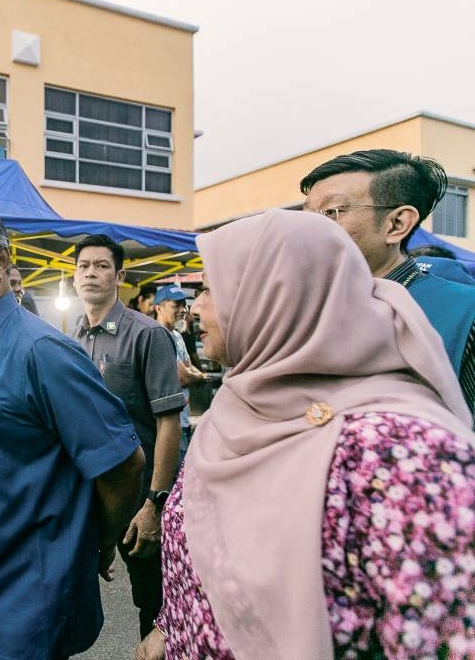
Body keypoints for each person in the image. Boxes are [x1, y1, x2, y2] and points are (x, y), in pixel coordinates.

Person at [136, 209, 474, 660]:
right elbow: (202, 549)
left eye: (213, 289)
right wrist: (170, 626)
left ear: (278, 297)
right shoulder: (233, 408)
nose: (196, 306)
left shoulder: (406, 452)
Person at [0, 205, 145, 660]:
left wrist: (96, 542)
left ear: (3, 262)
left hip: (30, 591)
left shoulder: (43, 351)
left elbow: (123, 463)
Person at [300, 149, 475, 417]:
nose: (308, 228)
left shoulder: (463, 313)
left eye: (331, 212)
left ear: (396, 224)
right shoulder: (301, 310)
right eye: (307, 215)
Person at [71, 234, 185, 641]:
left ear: (119, 275)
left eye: (101, 266)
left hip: (139, 491)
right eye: (83, 266)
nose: (91, 273)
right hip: (91, 488)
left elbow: (169, 421)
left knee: (154, 601)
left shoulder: (148, 334)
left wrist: (155, 503)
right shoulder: (72, 337)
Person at [152, 284, 205, 462]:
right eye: (176, 305)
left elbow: (188, 368)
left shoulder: (177, 336)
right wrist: (201, 376)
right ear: (158, 308)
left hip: (183, 420)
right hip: (168, 423)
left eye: (184, 305)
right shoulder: (157, 336)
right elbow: (183, 376)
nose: (183, 310)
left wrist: (191, 373)